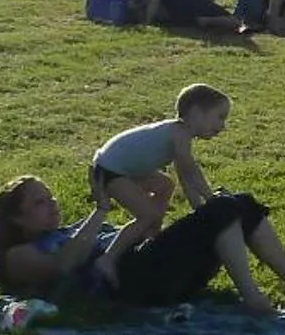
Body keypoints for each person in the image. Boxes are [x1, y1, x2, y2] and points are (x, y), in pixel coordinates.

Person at [0, 175, 285, 318]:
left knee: (240, 205)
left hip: (147, 269)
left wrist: (156, 202)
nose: (52, 204)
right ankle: (253, 298)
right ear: (17, 220)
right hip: (130, 286)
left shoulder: (67, 230)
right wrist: (101, 210)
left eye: (50, 197)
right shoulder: (17, 255)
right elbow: (65, 264)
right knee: (222, 211)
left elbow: (145, 234)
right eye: (39, 203)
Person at [89, 84, 230, 250]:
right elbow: (190, 171)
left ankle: (152, 237)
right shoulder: (179, 133)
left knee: (165, 185)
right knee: (147, 215)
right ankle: (108, 260)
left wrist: (199, 208)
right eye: (220, 117)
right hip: (109, 170)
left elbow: (185, 178)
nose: (223, 126)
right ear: (196, 113)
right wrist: (211, 198)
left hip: (124, 169)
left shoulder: (180, 134)